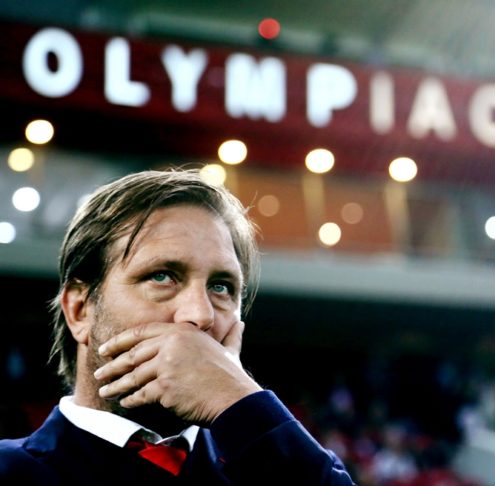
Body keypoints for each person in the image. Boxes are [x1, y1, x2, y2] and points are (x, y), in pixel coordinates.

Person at [0, 170, 356, 484]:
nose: (200, 315)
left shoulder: (292, 467)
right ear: (80, 310)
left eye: (221, 286)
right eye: (162, 276)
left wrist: (241, 404)